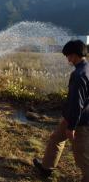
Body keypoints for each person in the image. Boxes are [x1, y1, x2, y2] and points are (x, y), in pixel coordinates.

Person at [33, 40, 89, 181]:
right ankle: (46, 168)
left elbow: (78, 104)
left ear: (75, 55)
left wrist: (72, 127)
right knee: (56, 139)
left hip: (80, 121)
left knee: (81, 155)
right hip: (72, 117)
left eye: (68, 55)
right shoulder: (87, 68)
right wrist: (67, 117)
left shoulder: (79, 74)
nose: (67, 59)